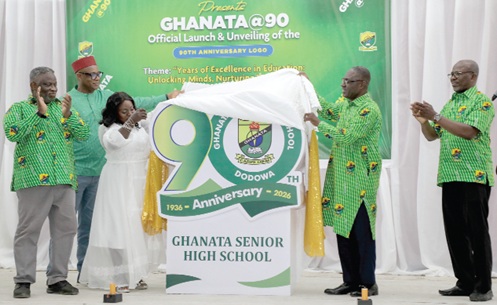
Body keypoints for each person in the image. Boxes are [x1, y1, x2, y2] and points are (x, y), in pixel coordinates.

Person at [68, 56, 182, 278]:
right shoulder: (70, 101)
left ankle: (119, 271)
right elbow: (113, 141)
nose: (96, 78)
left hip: (111, 175)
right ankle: (68, 273)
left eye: (98, 74)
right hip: (78, 171)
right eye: (91, 74)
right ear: (79, 76)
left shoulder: (109, 98)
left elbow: (139, 104)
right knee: (71, 227)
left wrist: (167, 98)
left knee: (100, 226)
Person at [411, 59, 494, 302]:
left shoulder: (483, 102)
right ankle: (465, 281)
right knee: (455, 231)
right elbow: (431, 136)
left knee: (477, 232)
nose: (453, 78)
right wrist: (424, 121)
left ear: (473, 76)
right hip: (449, 174)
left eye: (458, 74)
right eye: (451, 74)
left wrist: (435, 115)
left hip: (474, 174)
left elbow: (469, 132)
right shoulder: (450, 104)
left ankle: (484, 286)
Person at [3, 67, 89, 298]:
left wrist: (69, 115)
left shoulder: (63, 107)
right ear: (34, 86)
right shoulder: (19, 108)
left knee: (66, 230)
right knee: (28, 231)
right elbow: (12, 133)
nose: (52, 88)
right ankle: (23, 281)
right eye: (46, 84)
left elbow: (83, 134)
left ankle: (58, 279)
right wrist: (38, 113)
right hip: (33, 180)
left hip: (64, 179)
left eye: (54, 83)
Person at [302, 66, 382, 297]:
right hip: (341, 178)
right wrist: (308, 87)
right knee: (343, 230)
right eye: (343, 80)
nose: (343, 84)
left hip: (360, 180)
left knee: (361, 233)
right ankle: (350, 281)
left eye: (349, 81)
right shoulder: (346, 103)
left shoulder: (369, 110)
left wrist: (317, 123)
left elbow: (347, 137)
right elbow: (329, 111)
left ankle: (368, 283)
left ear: (363, 84)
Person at [79, 92, 161, 291]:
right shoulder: (107, 129)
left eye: (132, 109)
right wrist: (131, 122)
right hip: (118, 182)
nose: (129, 113)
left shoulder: (141, 128)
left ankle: (136, 273)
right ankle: (117, 276)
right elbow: (115, 142)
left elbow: (158, 124)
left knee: (136, 228)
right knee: (118, 229)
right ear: (114, 113)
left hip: (139, 181)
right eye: (124, 111)